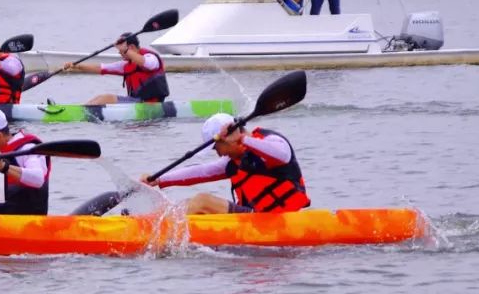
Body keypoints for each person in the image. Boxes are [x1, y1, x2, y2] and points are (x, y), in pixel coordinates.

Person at [144, 113, 311, 214]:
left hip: (282, 219)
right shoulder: (233, 161)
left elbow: (283, 155)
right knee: (192, 204)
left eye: (216, 147)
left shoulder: (271, 142)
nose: (218, 152)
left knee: (203, 201)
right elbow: (202, 171)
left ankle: (158, 228)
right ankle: (152, 220)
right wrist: (159, 180)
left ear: (230, 139)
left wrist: (242, 139)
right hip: (254, 218)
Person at [60, 32, 170, 105]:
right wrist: (77, 66)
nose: (120, 53)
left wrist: (126, 51)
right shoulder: (126, 65)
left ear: (131, 48)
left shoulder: (151, 59)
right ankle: (80, 109)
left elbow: (145, 62)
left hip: (152, 104)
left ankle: (80, 113)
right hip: (139, 103)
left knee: (106, 98)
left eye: (121, 51)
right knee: (99, 98)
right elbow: (102, 68)